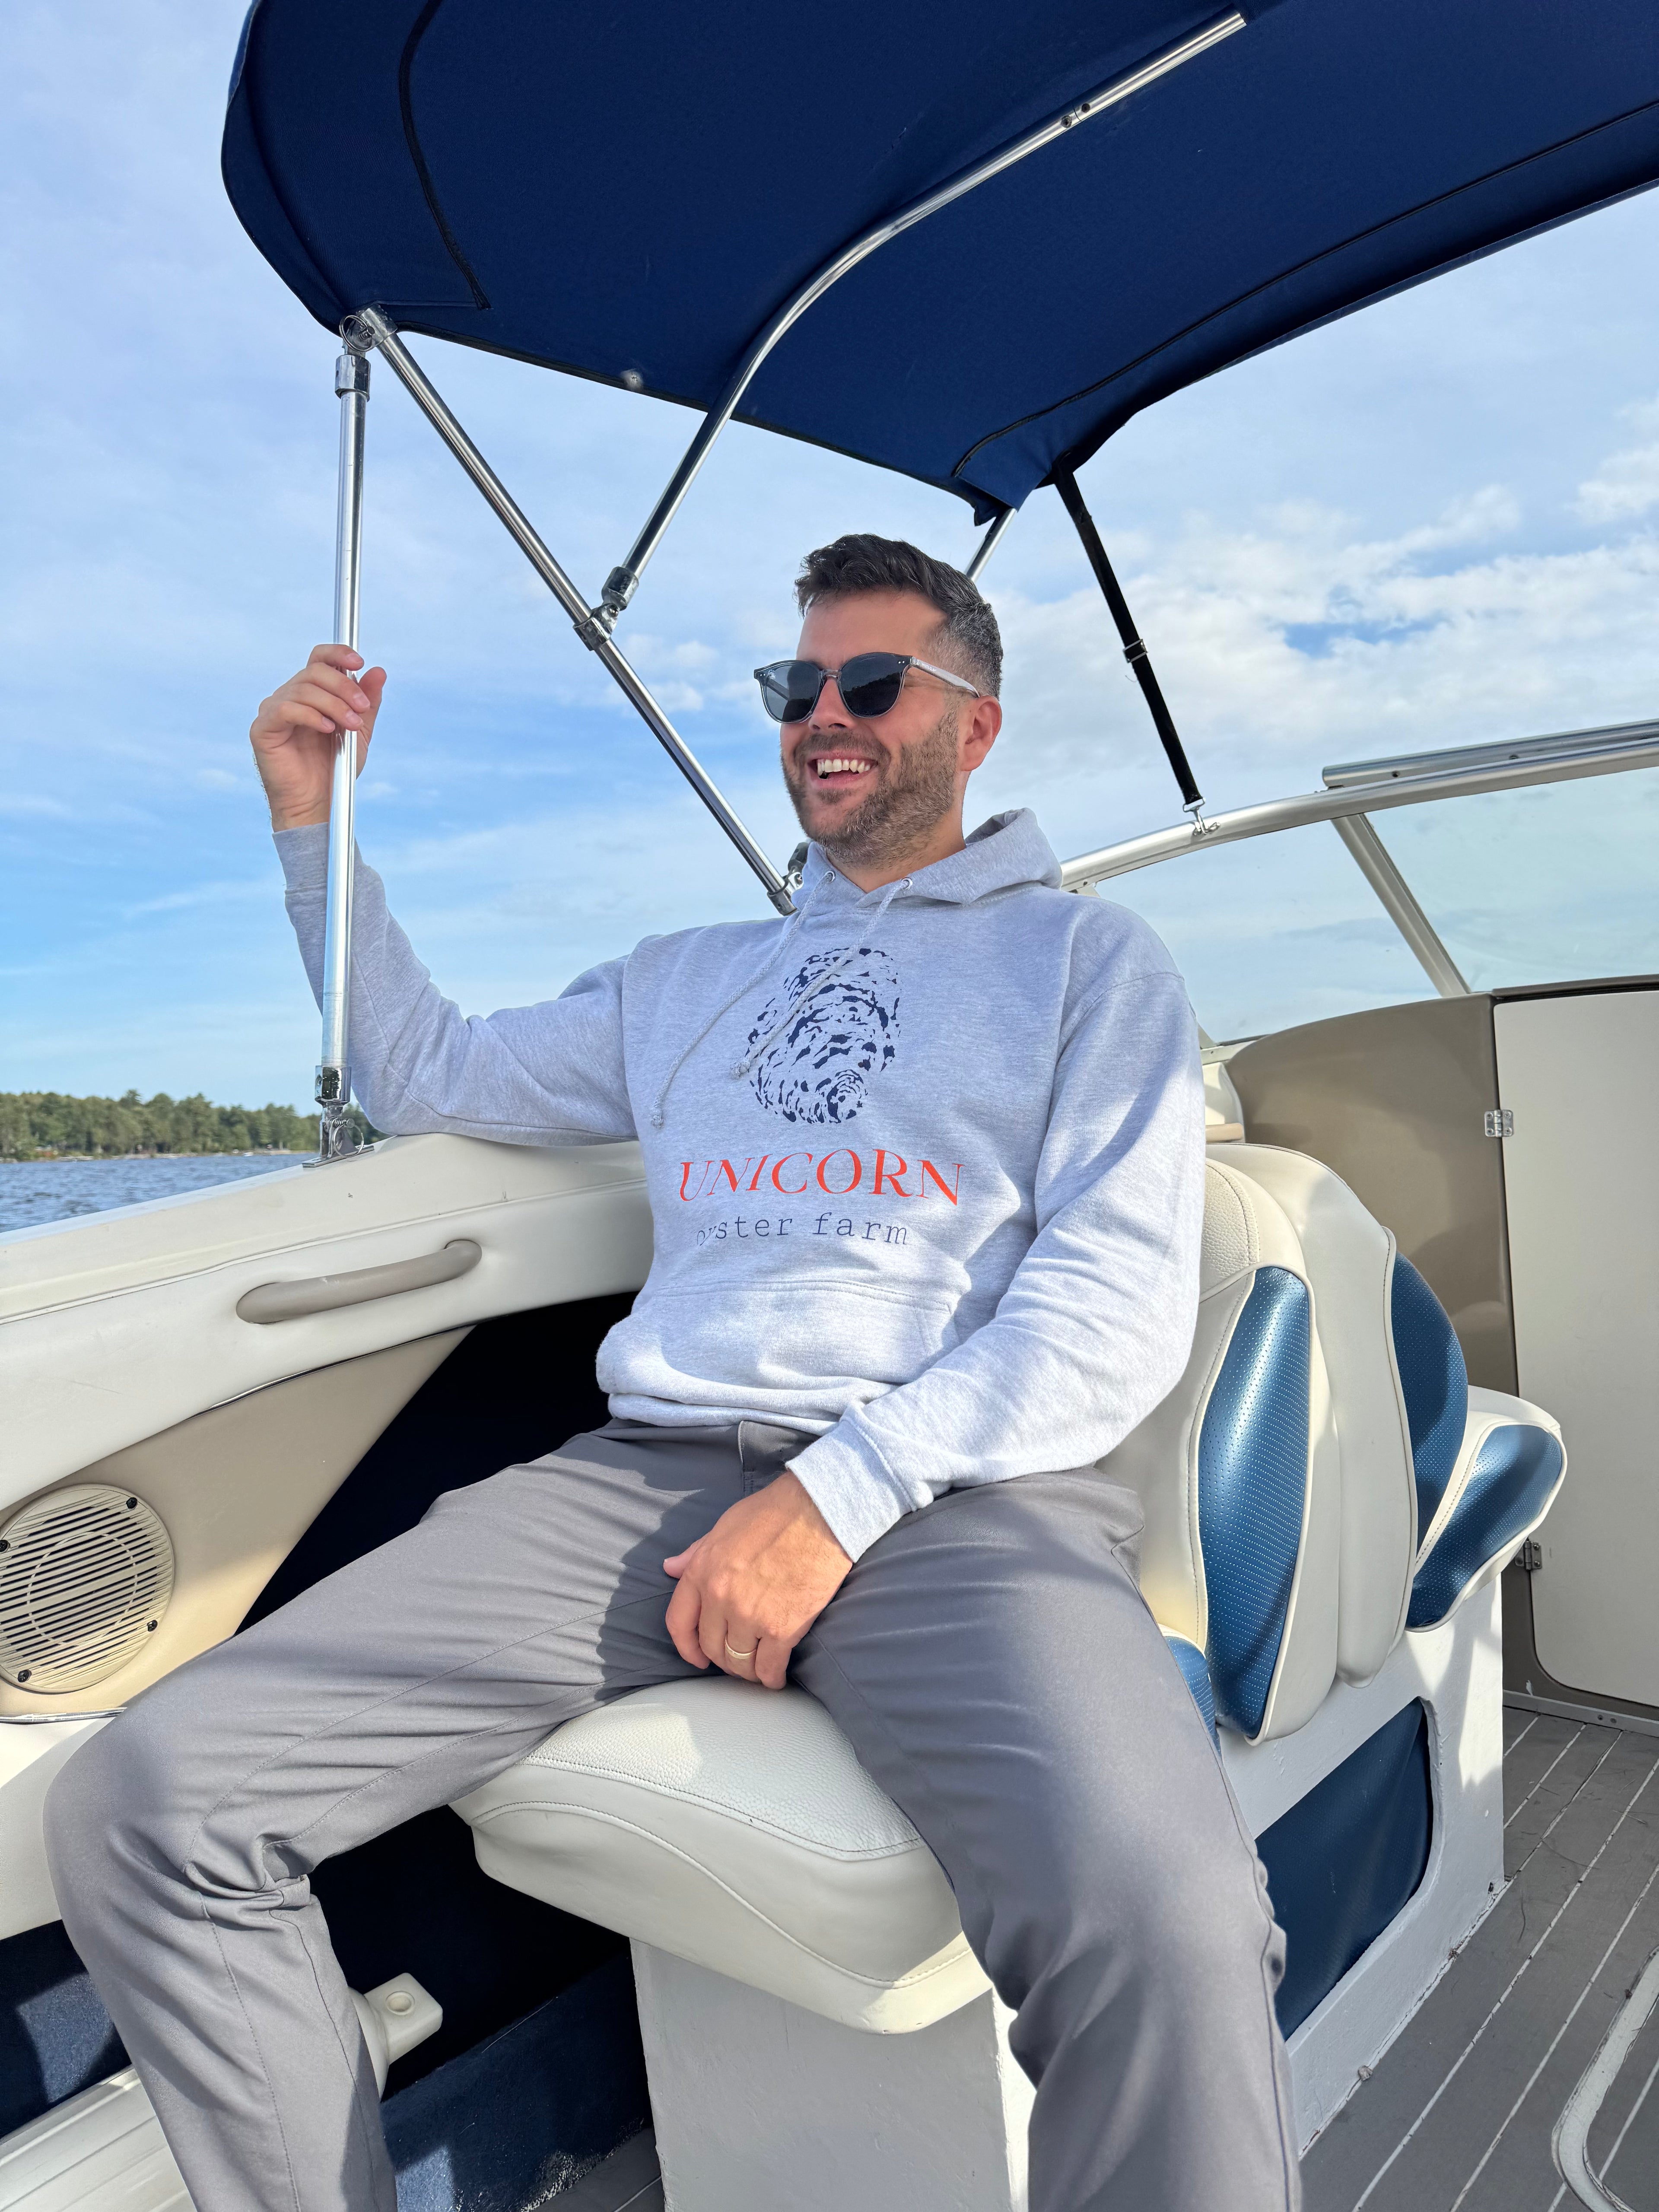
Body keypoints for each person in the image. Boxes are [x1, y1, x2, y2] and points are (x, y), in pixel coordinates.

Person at [46, 535, 1299, 2211]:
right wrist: (311, 815)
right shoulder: (687, 977)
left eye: (872, 682)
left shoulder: (1087, 962)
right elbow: (429, 1069)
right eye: (799, 687)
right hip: (646, 1477)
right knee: (154, 1799)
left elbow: (1107, 1306)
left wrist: (836, 1496)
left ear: (977, 724)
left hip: (954, 1492)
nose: (823, 716)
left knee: (1175, 1924)